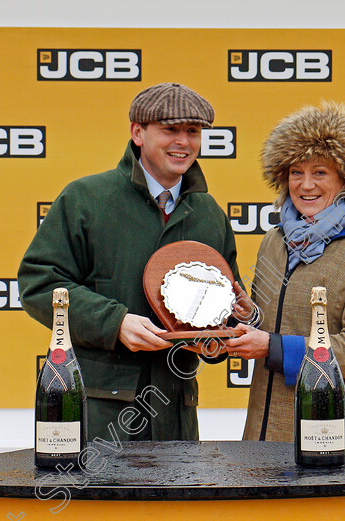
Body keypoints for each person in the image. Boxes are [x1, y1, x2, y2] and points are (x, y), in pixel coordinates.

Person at [18, 82, 244, 442]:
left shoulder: (210, 214)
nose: (183, 142)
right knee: (97, 501)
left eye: (193, 131)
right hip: (98, 414)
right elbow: (39, 285)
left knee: (171, 501)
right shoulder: (86, 199)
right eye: (170, 130)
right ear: (137, 132)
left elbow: (228, 304)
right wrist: (116, 322)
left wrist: (222, 334)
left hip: (175, 414)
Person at [225, 100, 345, 456]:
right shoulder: (275, 241)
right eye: (295, 172)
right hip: (268, 425)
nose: (305, 185)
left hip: (341, 430)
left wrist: (272, 347)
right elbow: (274, 321)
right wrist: (249, 316)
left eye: (320, 172)